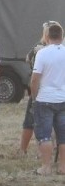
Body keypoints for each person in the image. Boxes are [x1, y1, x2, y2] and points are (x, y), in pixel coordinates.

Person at [29, 21, 65, 176]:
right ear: (62, 36)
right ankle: (63, 167)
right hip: (63, 98)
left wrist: (34, 96)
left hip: (45, 98)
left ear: (47, 36)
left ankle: (46, 167)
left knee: (44, 135)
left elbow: (35, 78)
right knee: (63, 136)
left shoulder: (42, 53)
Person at [20, 23, 50, 155]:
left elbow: (27, 59)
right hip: (57, 92)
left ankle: (23, 149)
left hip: (38, 89)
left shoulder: (38, 48)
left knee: (30, 121)